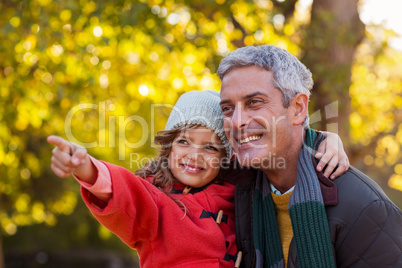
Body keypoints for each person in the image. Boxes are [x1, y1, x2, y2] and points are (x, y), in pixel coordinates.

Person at [48, 90, 348, 267]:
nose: (194, 155)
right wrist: (85, 166)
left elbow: (283, 150)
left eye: (210, 147)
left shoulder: (241, 189)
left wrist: (325, 139)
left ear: (225, 156)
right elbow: (124, 191)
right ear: (168, 147)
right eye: (184, 142)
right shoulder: (156, 200)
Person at [217, 44, 402, 268]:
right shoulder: (232, 190)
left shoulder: (364, 208)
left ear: (297, 108)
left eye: (254, 102)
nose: (236, 122)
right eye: (227, 108)